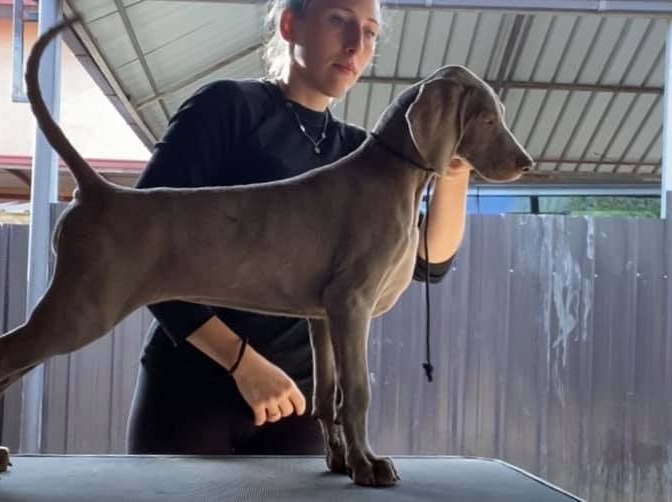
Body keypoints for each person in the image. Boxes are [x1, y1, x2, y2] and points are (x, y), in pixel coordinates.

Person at [126, 0, 472, 455]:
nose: (356, 44)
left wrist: (455, 172)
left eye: (370, 32)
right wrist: (242, 363)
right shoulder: (228, 108)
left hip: (299, 403)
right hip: (192, 390)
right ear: (290, 24)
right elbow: (140, 242)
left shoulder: (360, 153)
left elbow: (426, 260)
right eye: (339, 20)